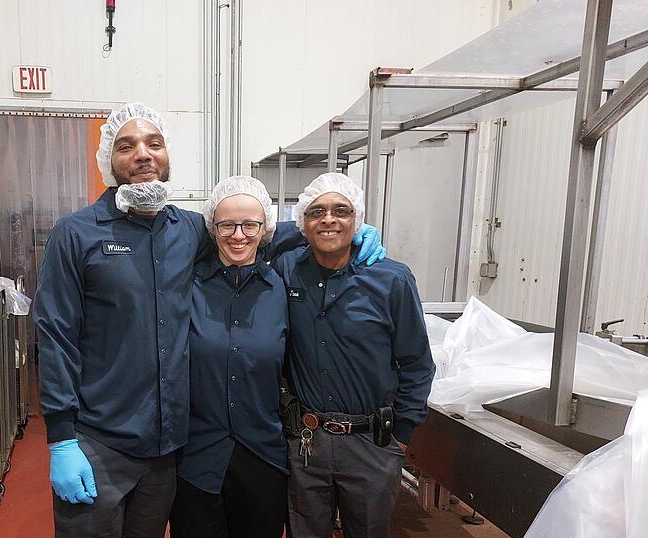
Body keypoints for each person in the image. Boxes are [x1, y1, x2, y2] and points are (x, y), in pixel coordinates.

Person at [35, 104, 384, 537]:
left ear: (167, 155)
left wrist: (340, 233)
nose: (143, 154)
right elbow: (56, 334)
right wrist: (61, 437)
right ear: (109, 160)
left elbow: (251, 230)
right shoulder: (77, 234)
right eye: (127, 146)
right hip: (98, 442)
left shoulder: (187, 229)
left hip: (166, 449)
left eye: (154, 143)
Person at [274, 173, 435, 538]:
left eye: (341, 211)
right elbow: (255, 234)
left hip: (371, 443)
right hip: (306, 442)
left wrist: (400, 434)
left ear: (358, 219)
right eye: (316, 212)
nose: (328, 219)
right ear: (302, 222)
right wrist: (306, 227)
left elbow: (417, 363)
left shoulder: (391, 279)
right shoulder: (288, 270)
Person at [169, 177, 289, 538]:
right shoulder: (187, 286)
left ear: (265, 228)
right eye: (227, 225)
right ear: (212, 228)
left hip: (263, 458)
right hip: (196, 458)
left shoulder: (282, 289)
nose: (238, 235)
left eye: (250, 224)